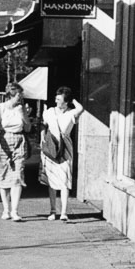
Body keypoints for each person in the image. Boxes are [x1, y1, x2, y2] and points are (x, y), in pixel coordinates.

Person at [0, 82, 32, 221]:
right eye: (19, 94)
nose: (21, 97)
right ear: (13, 95)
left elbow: (28, 128)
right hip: (3, 141)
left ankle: (15, 210)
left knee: (18, 175)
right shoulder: (1, 108)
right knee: (4, 177)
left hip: (19, 140)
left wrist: (24, 114)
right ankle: (6, 209)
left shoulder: (22, 108)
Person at [40, 86, 83, 222]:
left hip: (65, 148)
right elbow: (43, 126)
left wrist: (72, 99)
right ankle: (53, 210)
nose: (56, 101)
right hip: (51, 147)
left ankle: (64, 212)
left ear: (66, 101)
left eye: (59, 99)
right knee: (52, 181)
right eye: (56, 98)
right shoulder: (49, 112)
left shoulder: (71, 113)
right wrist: (42, 139)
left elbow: (81, 109)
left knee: (64, 179)